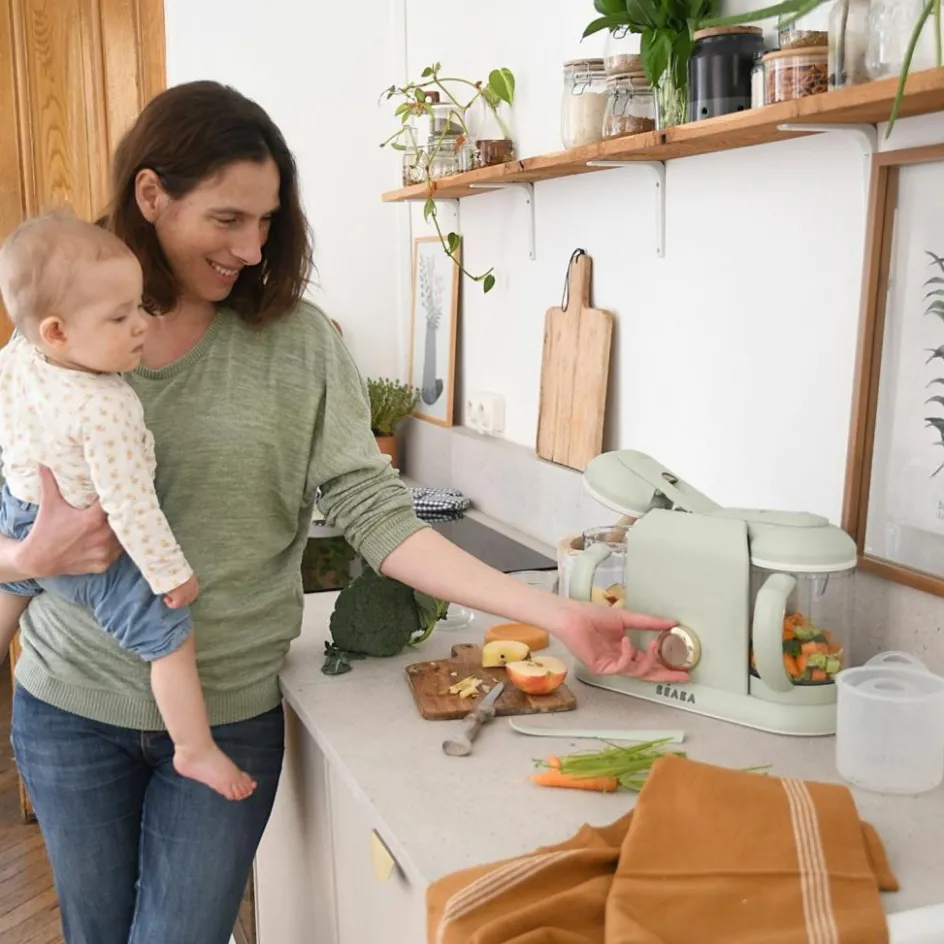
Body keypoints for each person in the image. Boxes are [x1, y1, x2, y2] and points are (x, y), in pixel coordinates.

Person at [3, 80, 674, 944]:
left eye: (267, 221)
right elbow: (14, 510)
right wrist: (27, 559)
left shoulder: (298, 345)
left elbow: (374, 511)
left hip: (229, 710)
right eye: (226, 219)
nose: (251, 248)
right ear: (150, 194)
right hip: (68, 709)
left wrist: (559, 613)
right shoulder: (51, 343)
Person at [0, 212, 256, 803]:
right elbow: (131, 508)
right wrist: (173, 576)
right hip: (89, 546)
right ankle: (193, 748)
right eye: (120, 317)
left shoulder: (21, 354)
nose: (142, 325)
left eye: (139, 306)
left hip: (19, 511)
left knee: (17, 580)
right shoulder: (106, 407)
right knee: (169, 639)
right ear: (58, 331)